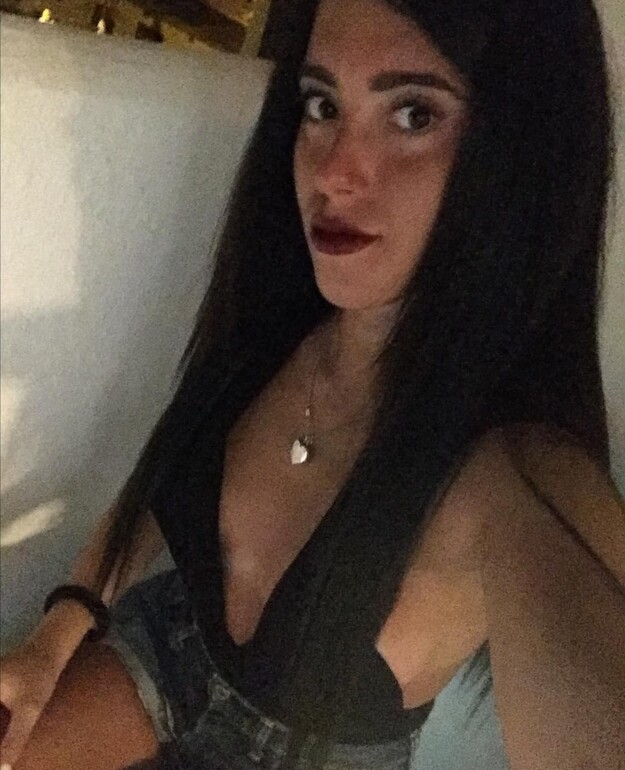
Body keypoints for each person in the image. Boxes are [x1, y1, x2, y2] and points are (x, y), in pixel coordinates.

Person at [1, 0, 624, 767]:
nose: (333, 172)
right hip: (164, 658)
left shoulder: (516, 467)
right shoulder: (276, 324)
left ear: (523, 153)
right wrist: (57, 632)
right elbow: (159, 483)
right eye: (323, 105)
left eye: (413, 114)